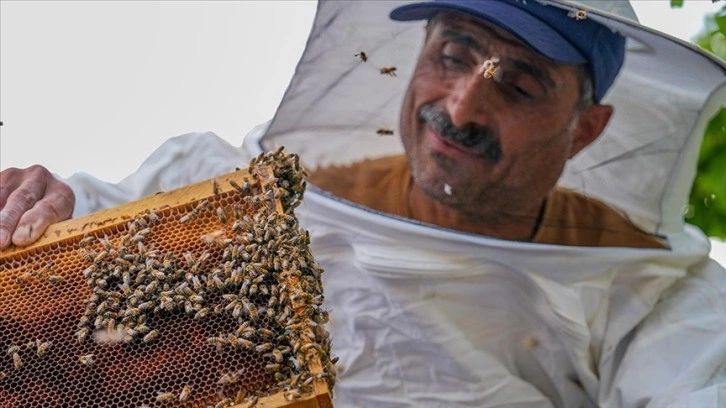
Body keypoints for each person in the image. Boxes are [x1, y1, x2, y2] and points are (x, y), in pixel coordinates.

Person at [1, 0, 725, 406]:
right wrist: (37, 210)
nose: (463, 105)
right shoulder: (227, 184)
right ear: (416, 57)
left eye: (520, 83)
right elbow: (79, 232)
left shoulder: (656, 293)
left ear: (586, 130)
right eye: (454, 53)